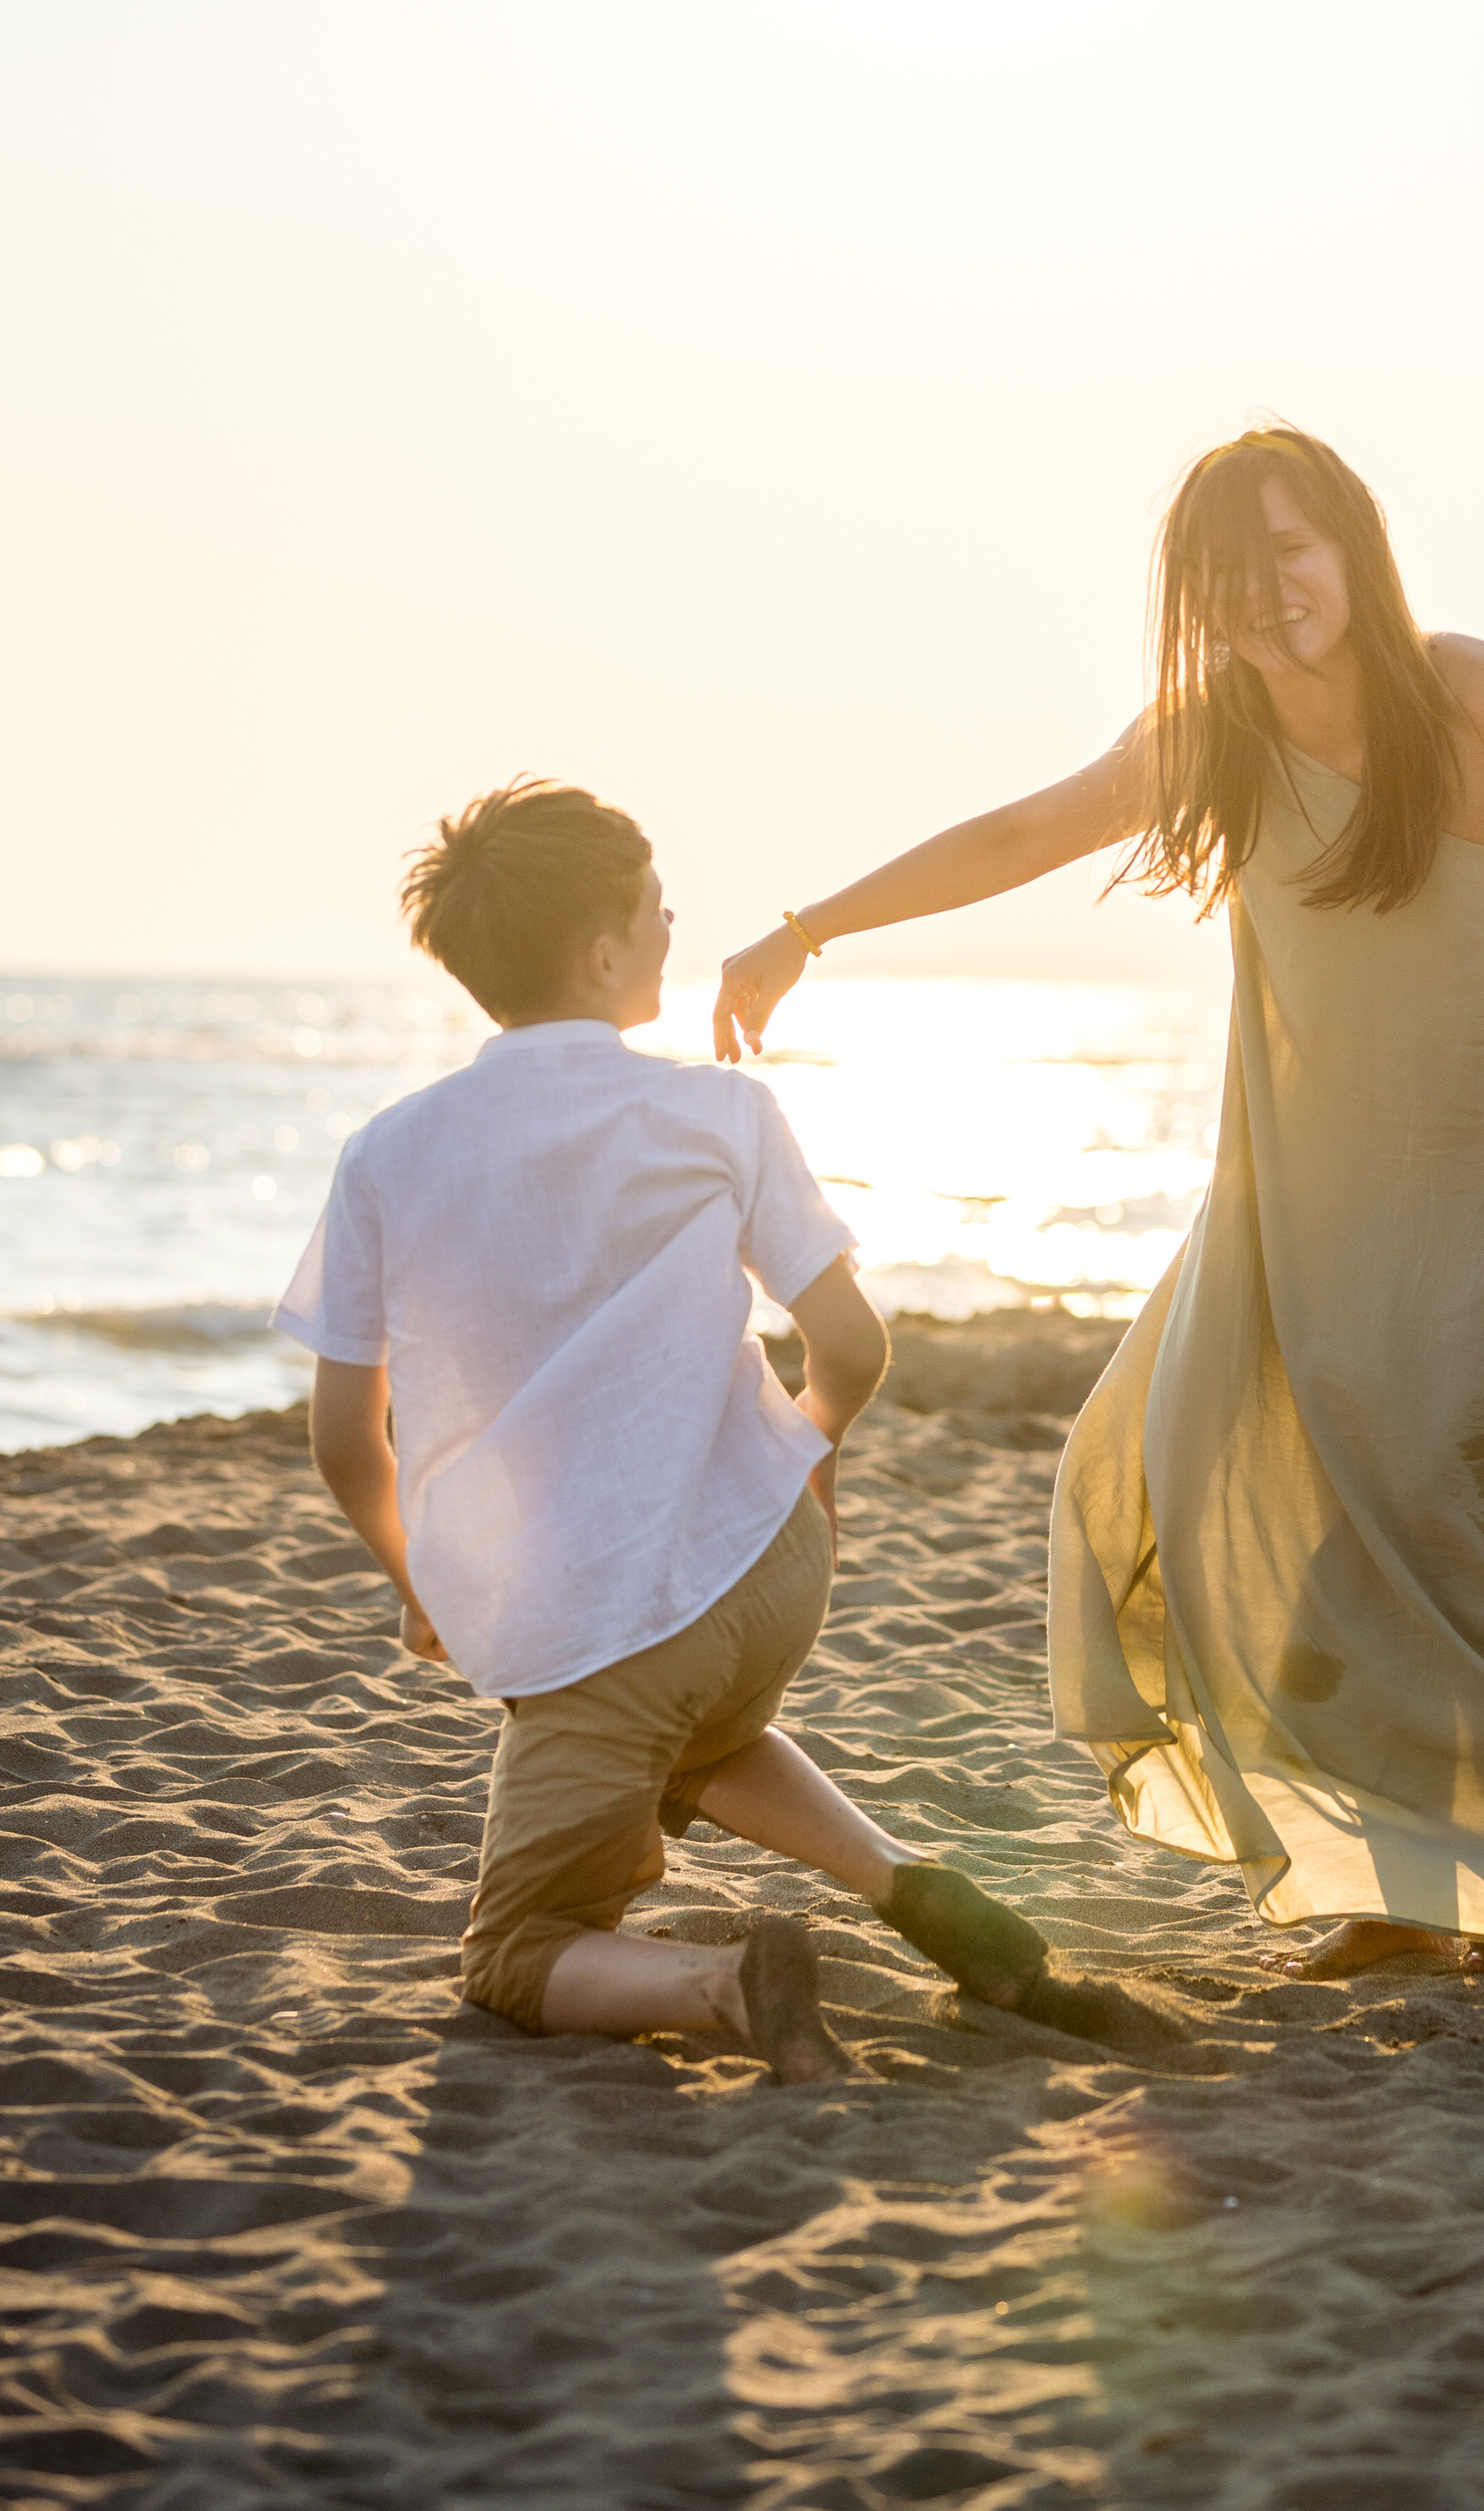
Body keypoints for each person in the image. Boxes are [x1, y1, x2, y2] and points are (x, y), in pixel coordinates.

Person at [713, 425, 1484, 1981]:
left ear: (1353, 551)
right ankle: (1405, 1878)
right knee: (1196, 1477)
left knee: (1448, 1502)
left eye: (1292, 557)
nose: (1269, 600)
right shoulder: (1210, 740)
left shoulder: (1474, 695)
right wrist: (806, 933)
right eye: (1231, 578)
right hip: (1319, 1190)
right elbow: (1016, 836)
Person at [276, 777, 1051, 2081]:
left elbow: (350, 1440)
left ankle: (728, 1986)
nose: (673, 918)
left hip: (617, 1630)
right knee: (696, 1726)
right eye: (654, 906)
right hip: (772, 1571)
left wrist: (423, 1583)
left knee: (516, 1954)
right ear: (602, 953)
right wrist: (812, 1455)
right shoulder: (723, 1111)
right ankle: (908, 1885)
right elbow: (854, 1348)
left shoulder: (390, 1155)